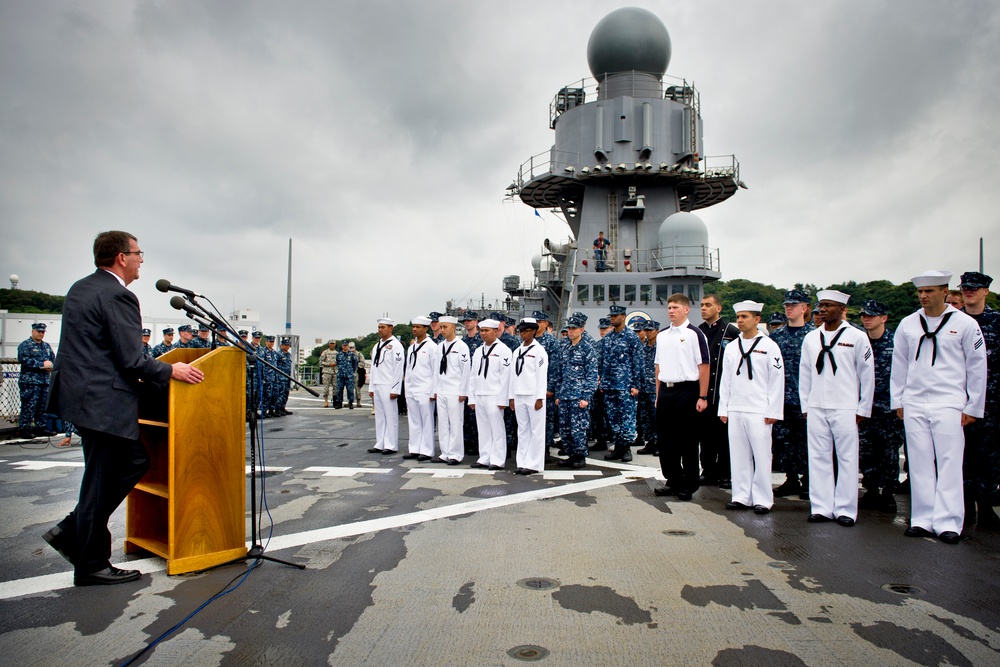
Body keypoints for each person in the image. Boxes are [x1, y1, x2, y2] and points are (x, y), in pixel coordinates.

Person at [44, 230, 203, 587]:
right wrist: (171, 370)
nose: (141, 259)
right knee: (127, 465)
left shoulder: (81, 287)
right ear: (121, 257)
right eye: (137, 253)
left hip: (83, 399)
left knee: (101, 477)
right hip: (104, 401)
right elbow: (131, 360)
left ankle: (77, 537)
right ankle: (87, 558)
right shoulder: (118, 295)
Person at [892, 270, 987, 544]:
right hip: (915, 401)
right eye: (921, 292)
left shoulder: (965, 324)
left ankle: (948, 522)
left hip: (949, 401)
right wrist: (898, 400)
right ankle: (922, 519)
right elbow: (899, 365)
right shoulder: (909, 324)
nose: (924, 296)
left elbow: (977, 366)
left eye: (930, 291)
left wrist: (973, 406)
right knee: (919, 462)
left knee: (949, 462)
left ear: (944, 291)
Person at [799, 290, 874, 527]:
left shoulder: (857, 336)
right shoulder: (811, 337)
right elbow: (805, 373)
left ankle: (846, 509)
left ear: (842, 310)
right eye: (821, 305)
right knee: (818, 457)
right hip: (817, 405)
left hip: (845, 405)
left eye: (828, 306)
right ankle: (821, 506)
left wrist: (863, 407)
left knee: (847, 458)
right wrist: (806, 404)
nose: (822, 310)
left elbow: (867, 374)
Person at [717, 301, 784, 514]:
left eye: (745, 317)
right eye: (738, 317)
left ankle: (763, 499)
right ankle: (741, 496)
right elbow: (725, 380)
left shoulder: (769, 345)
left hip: (759, 409)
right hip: (736, 407)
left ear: (756, 319)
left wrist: (773, 410)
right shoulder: (732, 346)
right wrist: (723, 408)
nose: (740, 321)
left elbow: (777, 380)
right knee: (738, 455)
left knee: (762, 455)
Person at [653, 293, 710, 501]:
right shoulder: (662, 335)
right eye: (669, 307)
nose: (671, 310)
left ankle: (689, 483)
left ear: (686, 310)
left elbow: (703, 366)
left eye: (676, 307)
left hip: (688, 390)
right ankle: (673, 479)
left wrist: (702, 396)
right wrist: (659, 395)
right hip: (666, 391)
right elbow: (658, 367)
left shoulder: (695, 334)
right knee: (666, 440)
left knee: (687, 440)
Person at [958, 271, 1000, 528]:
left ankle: (985, 507)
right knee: (961, 455)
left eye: (975, 288)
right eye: (965, 288)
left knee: (989, 456)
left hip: (992, 401)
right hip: (958, 398)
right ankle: (964, 507)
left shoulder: (997, 321)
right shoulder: (953, 321)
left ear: (985, 291)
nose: (969, 291)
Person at [857, 300, 904, 513]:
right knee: (866, 450)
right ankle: (872, 489)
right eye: (864, 315)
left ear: (883, 318)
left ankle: (888, 492)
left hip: (889, 407)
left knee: (889, 451)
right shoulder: (858, 340)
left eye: (871, 315)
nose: (867, 319)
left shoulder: (897, 342)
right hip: (864, 406)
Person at [770, 289, 815, 500]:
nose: (789, 308)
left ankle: (808, 481)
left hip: (806, 399)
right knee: (784, 442)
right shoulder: (777, 336)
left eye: (794, 305)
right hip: (781, 398)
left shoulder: (814, 335)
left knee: (807, 442)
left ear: (804, 308)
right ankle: (791, 479)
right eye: (787, 305)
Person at [698, 294, 741, 488]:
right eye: (702, 305)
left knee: (724, 437)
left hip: (723, 392)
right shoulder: (698, 332)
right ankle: (708, 471)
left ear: (719, 308)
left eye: (708, 305)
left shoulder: (731, 332)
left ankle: (725, 473)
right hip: (704, 393)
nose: (704, 308)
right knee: (705, 437)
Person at [598, 305, 643, 462]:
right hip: (610, 386)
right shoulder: (608, 338)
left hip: (625, 385)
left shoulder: (631, 337)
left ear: (623, 317)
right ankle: (618, 446)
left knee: (627, 418)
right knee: (613, 418)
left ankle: (626, 448)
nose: (612, 318)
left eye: (615, 315)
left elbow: (638, 362)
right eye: (611, 315)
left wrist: (636, 385)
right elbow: (602, 361)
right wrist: (602, 380)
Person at [468, 318, 513, 470]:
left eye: (487, 330)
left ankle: (498, 459)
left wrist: (503, 399)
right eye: (481, 330)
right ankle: (484, 457)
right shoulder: (479, 351)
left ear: (495, 331)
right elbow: (473, 375)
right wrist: (472, 397)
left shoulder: (503, 350)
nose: (483, 333)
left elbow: (505, 377)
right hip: (480, 394)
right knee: (483, 429)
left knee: (497, 429)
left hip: (495, 395)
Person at [556, 313, 598, 469]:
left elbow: (592, 375)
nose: (571, 331)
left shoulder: (587, 348)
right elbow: (560, 373)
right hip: (565, 395)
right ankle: (571, 454)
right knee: (565, 429)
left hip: (578, 397)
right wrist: (559, 394)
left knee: (578, 429)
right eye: (569, 328)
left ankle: (580, 456)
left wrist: (586, 396)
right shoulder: (565, 347)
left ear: (581, 329)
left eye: (574, 328)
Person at [509, 318, 548, 474]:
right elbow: (512, 376)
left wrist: (540, 397)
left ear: (533, 331)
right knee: (523, 430)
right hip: (519, 394)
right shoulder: (517, 351)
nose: (522, 334)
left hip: (533, 396)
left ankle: (534, 464)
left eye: (526, 331)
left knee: (536, 431)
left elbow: (541, 375)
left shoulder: (539, 351)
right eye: (521, 331)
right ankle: (522, 462)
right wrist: (511, 396)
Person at [433, 315, 470, 465]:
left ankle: (455, 454)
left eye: (445, 327)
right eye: (441, 327)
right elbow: (436, 370)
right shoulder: (440, 346)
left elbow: (466, 370)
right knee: (442, 423)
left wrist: (463, 392)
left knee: (455, 423)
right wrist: (435, 389)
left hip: (455, 390)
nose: (442, 330)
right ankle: (445, 452)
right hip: (442, 389)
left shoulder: (461, 346)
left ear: (453, 327)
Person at [403, 317, 438, 461]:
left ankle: (427, 450)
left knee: (427, 420)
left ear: (426, 329)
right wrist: (406, 389)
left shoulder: (431, 347)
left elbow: (435, 370)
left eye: (418, 327)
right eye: (413, 327)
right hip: (412, 388)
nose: (414, 329)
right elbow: (408, 369)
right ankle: (415, 448)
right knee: (414, 420)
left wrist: (433, 390)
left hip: (425, 388)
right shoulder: (412, 347)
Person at [368, 318, 405, 455]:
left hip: (388, 384)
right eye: (379, 327)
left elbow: (398, 368)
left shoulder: (396, 345)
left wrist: (395, 388)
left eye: (383, 327)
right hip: (378, 383)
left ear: (390, 328)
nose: (380, 330)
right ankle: (380, 443)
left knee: (390, 416)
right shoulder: (377, 345)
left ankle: (391, 444)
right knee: (380, 416)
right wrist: (371, 386)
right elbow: (373, 367)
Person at [531, 311, 562, 463]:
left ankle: (545, 449)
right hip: (528, 388)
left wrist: (550, 388)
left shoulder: (551, 342)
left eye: (540, 321)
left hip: (544, 389)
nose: (537, 323)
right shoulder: (526, 340)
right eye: (535, 320)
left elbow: (555, 367)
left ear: (545, 323)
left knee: (546, 419)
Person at [17, 322, 56, 439]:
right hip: (30, 381)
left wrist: (51, 366)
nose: (41, 334)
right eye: (38, 331)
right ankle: (25, 428)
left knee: (42, 406)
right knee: (29, 405)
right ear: (33, 331)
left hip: (44, 381)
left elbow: (53, 360)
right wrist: (41, 364)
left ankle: (41, 427)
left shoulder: (46, 346)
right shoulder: (25, 345)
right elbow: (24, 360)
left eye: (42, 332)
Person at [636, 320, 660, 456]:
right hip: (643, 388)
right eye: (647, 330)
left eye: (651, 330)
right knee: (645, 418)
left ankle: (659, 443)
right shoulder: (642, 347)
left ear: (657, 330)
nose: (648, 332)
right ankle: (650, 442)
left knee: (656, 417)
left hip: (655, 388)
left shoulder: (661, 347)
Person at [335, 340, 358, 410]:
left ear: (348, 346)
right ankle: (339, 403)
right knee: (339, 390)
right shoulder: (338, 354)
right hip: (340, 375)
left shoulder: (352, 354)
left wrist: (351, 371)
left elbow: (355, 364)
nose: (345, 347)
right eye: (344, 345)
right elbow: (337, 363)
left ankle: (350, 403)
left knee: (350, 390)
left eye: (346, 345)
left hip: (349, 375)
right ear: (342, 346)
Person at [275, 338, 294, 416]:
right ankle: (278, 408)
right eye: (285, 345)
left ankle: (283, 407)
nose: (287, 347)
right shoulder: (278, 354)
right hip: (280, 377)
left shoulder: (289, 355)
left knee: (286, 393)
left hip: (287, 377)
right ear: (281, 345)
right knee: (280, 393)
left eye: (288, 345)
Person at [319, 340, 338, 408]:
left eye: (333, 344)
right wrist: (329, 364)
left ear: (335, 344)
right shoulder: (325, 352)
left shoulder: (337, 353)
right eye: (331, 344)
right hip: (327, 372)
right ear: (329, 344)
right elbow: (321, 362)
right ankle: (326, 400)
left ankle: (335, 400)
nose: (332, 345)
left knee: (335, 387)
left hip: (335, 372)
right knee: (326, 388)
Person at [350, 341, 366, 407]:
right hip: (349, 373)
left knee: (357, 388)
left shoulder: (359, 355)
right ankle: (350, 401)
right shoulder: (347, 354)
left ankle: (358, 401)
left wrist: (355, 364)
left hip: (357, 373)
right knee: (349, 388)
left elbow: (363, 364)